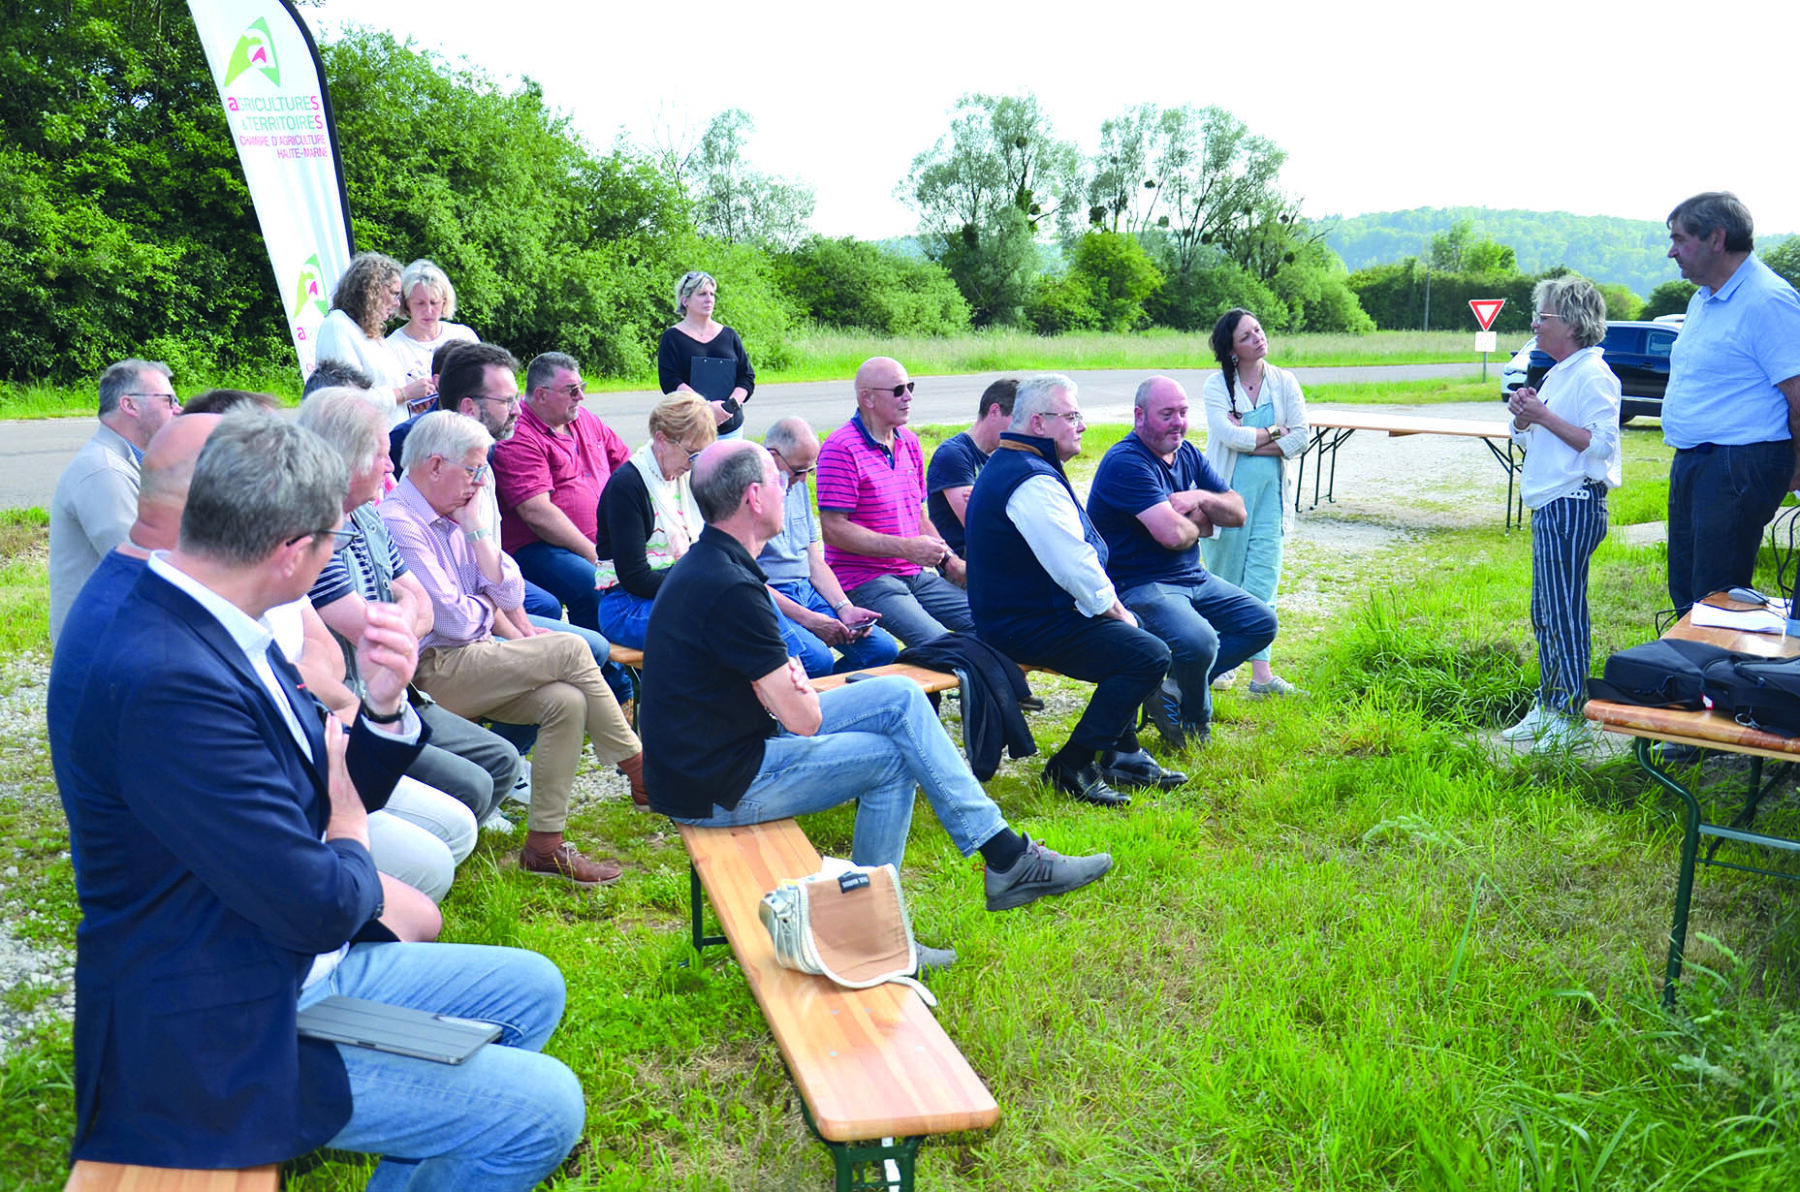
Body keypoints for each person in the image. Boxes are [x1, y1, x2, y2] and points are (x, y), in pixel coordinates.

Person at [47, 413, 583, 1183]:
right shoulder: (167, 678)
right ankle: (457, 1118)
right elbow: (322, 898)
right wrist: (349, 829)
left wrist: (388, 708)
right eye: (335, 538)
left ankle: (432, 1127)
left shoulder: (214, 610)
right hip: (221, 1021)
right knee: (545, 1109)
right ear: (292, 551)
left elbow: (328, 790)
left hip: (281, 958)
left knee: (531, 990)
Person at [641, 439, 1115, 916]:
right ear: (754, 497)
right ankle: (872, 922)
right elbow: (802, 719)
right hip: (716, 784)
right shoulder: (731, 587)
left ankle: (1005, 857)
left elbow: (774, 688)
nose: (787, 489)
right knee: (892, 760)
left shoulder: (714, 563)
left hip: (722, 749)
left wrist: (788, 678)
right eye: (778, 480)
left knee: (901, 696)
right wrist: (791, 681)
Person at [384, 412, 645, 883]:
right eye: (474, 470)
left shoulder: (459, 515)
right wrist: (483, 601)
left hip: (474, 657)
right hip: (430, 670)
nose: (481, 482)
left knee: (565, 702)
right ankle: (640, 767)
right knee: (570, 650)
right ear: (435, 464)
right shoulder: (400, 522)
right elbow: (452, 619)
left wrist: (479, 534)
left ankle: (544, 846)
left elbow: (508, 594)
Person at [298, 388, 526, 829]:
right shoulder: (313, 532)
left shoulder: (367, 516)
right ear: (347, 460)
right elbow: (370, 627)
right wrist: (408, 616)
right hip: (358, 704)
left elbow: (421, 604)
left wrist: (403, 616)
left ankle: (453, 825)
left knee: (502, 760)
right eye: (381, 456)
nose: (390, 467)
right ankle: (439, 834)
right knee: (477, 783)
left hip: (400, 688)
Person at [966, 376, 1182, 806]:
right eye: (1072, 415)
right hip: (1021, 625)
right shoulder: (1029, 478)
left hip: (1027, 614)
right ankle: (1072, 765)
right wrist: (1116, 611)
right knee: (1147, 654)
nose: (1081, 425)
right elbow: (1073, 564)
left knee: (1136, 641)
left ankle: (1123, 754)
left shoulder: (1020, 463)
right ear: (1039, 423)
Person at [1088, 376, 1278, 750]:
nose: (1178, 422)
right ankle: (1194, 722)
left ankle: (1167, 685)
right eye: (1167, 414)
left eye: (1183, 412)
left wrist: (1199, 498)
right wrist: (1204, 523)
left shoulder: (1187, 453)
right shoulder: (1126, 462)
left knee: (1260, 624)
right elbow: (1172, 536)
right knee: (1200, 641)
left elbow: (1237, 513)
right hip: (1140, 583)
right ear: (1139, 416)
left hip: (1192, 576)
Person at [1661, 191, 1800, 615]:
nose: (1672, 252)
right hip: (1696, 460)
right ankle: (1690, 679)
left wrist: (1798, 466)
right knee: (1686, 590)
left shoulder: (1767, 300)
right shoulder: (1703, 298)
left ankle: (1713, 681)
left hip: (1738, 463)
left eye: (1681, 239)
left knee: (1715, 598)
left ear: (1716, 238)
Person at [1503, 277, 1624, 751]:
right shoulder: (1559, 372)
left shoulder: (1593, 374)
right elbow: (1533, 437)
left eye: (1543, 316)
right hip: (1552, 502)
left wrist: (1544, 416)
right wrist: (1522, 416)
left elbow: (1601, 445)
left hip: (1573, 503)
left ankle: (1569, 712)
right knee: (1546, 611)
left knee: (1563, 612)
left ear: (1572, 323)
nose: (1534, 324)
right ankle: (1550, 703)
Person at [817, 357, 973, 645]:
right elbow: (833, 529)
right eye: (899, 389)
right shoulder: (840, 448)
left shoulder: (909, 442)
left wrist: (950, 561)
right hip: (866, 579)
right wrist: (905, 547)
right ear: (868, 398)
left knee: (987, 623)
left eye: (910, 387)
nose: (909, 397)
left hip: (914, 574)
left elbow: (918, 516)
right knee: (942, 644)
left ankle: (1002, 692)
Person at [1200, 309, 1310, 698]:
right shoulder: (1217, 386)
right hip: (1226, 496)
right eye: (1247, 336)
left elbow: (1301, 438)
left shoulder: (1284, 381)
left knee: (1263, 581)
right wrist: (1274, 433)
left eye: (1258, 330)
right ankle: (1217, 665)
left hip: (1270, 500)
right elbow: (1227, 436)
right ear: (1231, 349)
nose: (1258, 339)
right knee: (1224, 579)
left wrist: (1258, 437)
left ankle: (1261, 677)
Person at [491, 351, 630, 633]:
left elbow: (626, 469)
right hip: (537, 546)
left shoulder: (585, 420)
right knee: (592, 582)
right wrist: (595, 555)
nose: (581, 397)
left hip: (599, 538)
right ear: (541, 395)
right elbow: (537, 512)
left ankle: (640, 653)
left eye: (582, 387)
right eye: (572, 390)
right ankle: (604, 670)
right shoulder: (519, 434)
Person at [49, 357, 181, 642]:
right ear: (129, 405)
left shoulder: (127, 462)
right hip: (101, 647)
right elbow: (146, 568)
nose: (178, 409)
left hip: (120, 636)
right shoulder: (103, 471)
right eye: (169, 400)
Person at [760, 417, 901, 677]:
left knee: (882, 650)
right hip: (774, 599)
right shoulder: (750, 497)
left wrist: (844, 608)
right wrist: (810, 619)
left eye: (810, 470)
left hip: (808, 592)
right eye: (799, 470)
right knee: (818, 660)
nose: (804, 479)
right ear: (772, 457)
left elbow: (815, 561)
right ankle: (801, 706)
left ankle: (840, 706)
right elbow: (752, 583)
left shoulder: (796, 487)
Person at [596, 395, 717, 649]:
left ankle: (798, 674)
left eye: (701, 454)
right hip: (627, 603)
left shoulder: (684, 475)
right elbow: (635, 578)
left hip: (676, 587)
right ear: (662, 440)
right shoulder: (628, 486)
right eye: (692, 453)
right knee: (715, 626)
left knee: (749, 606)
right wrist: (698, 586)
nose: (695, 462)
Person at [312, 251, 434, 427]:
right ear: (371, 290)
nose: (397, 303)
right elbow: (346, 400)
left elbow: (386, 395)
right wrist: (405, 393)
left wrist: (412, 403)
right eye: (393, 293)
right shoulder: (337, 326)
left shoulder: (370, 334)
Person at [658, 270, 756, 439]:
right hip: (691, 430)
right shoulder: (672, 338)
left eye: (712, 294)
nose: (709, 299)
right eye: (702, 294)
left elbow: (746, 377)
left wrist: (728, 407)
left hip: (731, 430)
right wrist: (705, 407)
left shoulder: (729, 335)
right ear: (685, 300)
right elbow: (670, 381)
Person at [927, 377, 1017, 558]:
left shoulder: (1008, 453)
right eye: (1018, 420)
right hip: (970, 562)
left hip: (1002, 554)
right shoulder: (953, 455)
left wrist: (988, 498)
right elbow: (980, 526)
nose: (1023, 429)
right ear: (995, 411)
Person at [385, 258, 479, 388]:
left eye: (434, 302)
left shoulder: (464, 336)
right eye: (420, 303)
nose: (428, 311)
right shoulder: (392, 348)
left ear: (444, 301)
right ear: (406, 303)